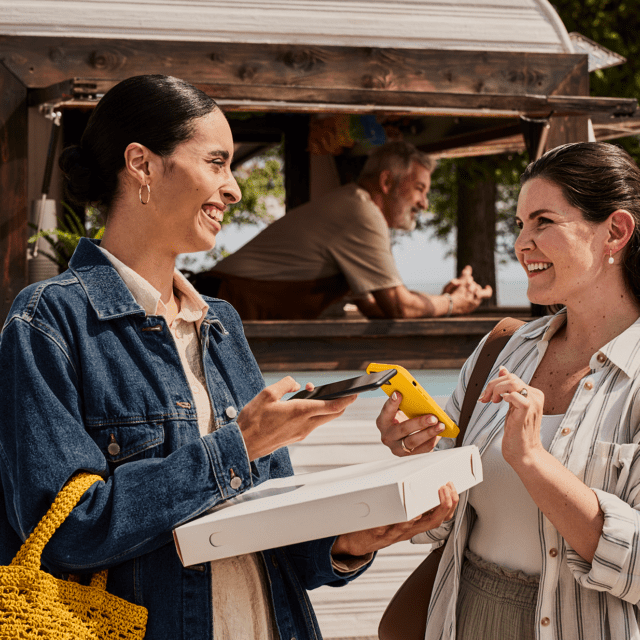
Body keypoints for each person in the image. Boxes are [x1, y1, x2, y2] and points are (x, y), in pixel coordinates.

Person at [0, 75, 458, 640]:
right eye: (217, 162)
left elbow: (269, 527)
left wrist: (350, 539)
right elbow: (67, 532)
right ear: (141, 164)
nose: (234, 189)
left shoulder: (219, 322)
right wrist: (239, 445)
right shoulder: (49, 320)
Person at [376, 141, 640, 639]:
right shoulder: (502, 349)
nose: (522, 243)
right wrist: (421, 457)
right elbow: (439, 527)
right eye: (520, 224)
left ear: (616, 231)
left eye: (544, 222)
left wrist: (533, 462)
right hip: (463, 616)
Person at [193, 141, 492, 320]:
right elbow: (399, 307)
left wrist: (440, 301)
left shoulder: (355, 206)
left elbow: (377, 306)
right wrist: (454, 304)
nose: (424, 203)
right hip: (217, 306)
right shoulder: (360, 212)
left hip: (217, 302)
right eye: (419, 189)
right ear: (387, 182)